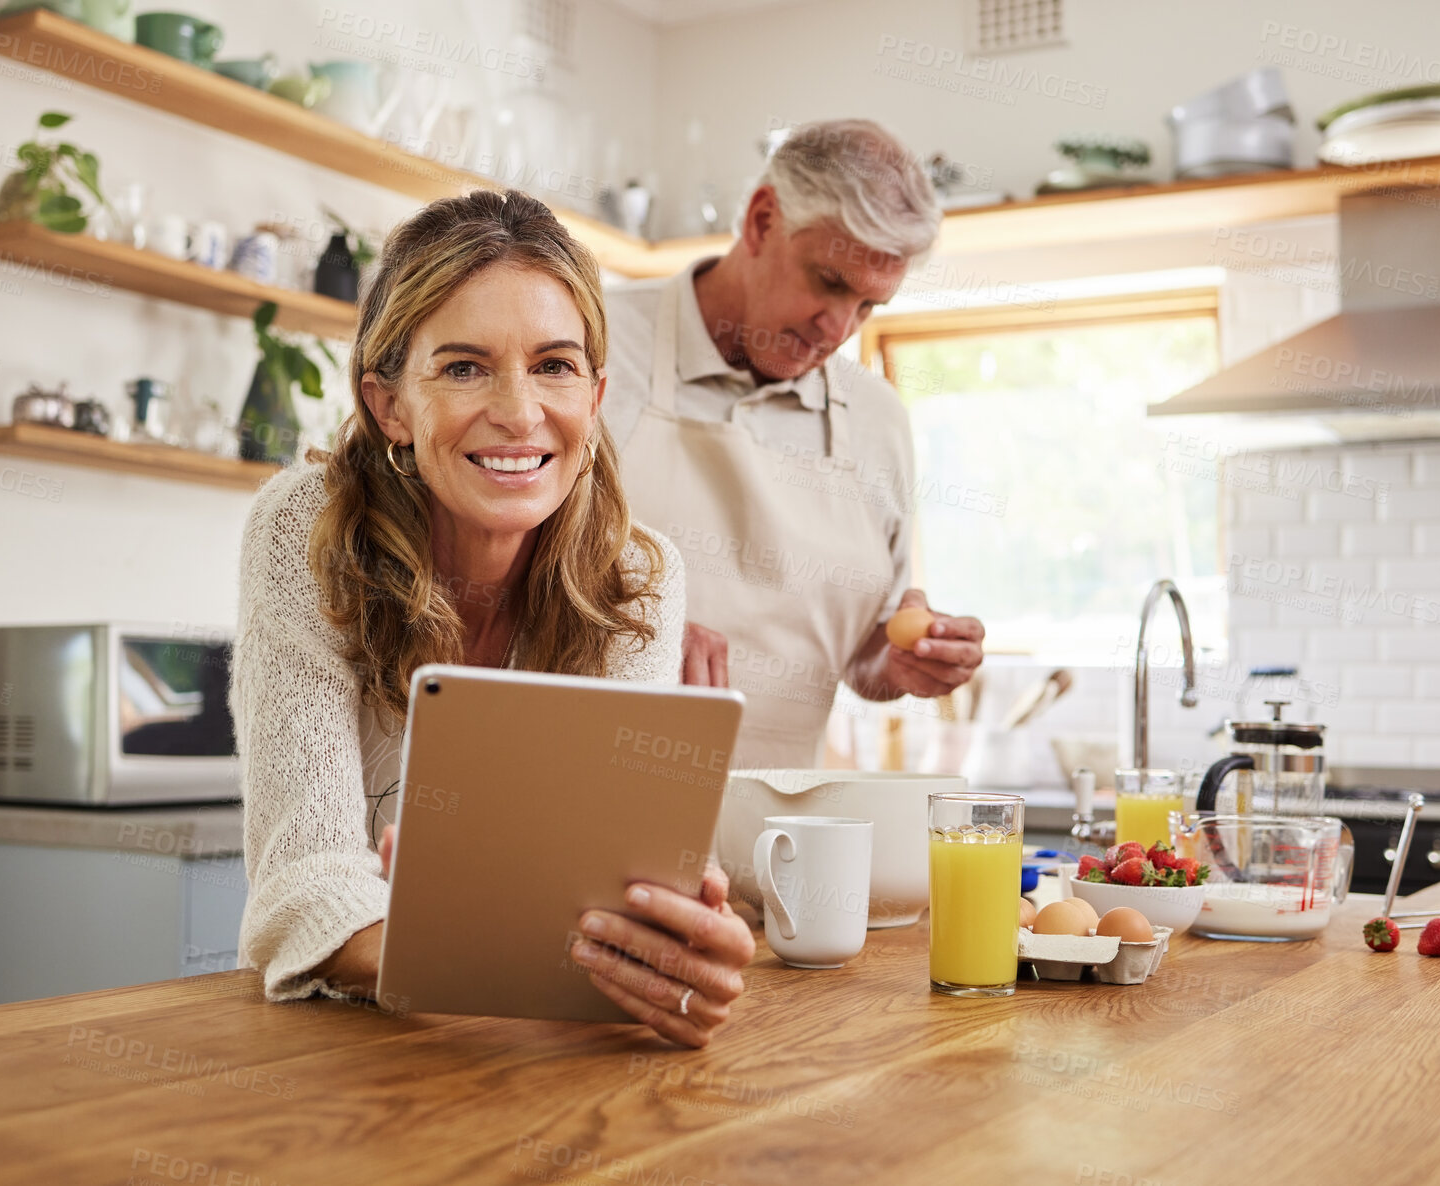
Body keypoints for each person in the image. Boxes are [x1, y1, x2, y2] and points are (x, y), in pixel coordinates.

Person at [229, 190, 753, 1048]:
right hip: (352, 1053)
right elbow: (304, 876)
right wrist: (464, 939)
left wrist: (676, 944)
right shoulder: (305, 530)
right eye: (465, 367)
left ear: (595, 395)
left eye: (554, 365)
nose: (519, 411)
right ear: (389, 405)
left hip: (543, 1052)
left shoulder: (640, 576)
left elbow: (619, 882)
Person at [603, 119, 985, 768]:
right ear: (760, 221)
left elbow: (864, 657)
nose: (837, 328)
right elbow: (486, 574)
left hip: (779, 835)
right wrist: (632, 635)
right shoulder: (591, 346)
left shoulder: (876, 419)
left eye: (868, 307)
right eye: (829, 282)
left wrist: (904, 662)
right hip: (598, 802)